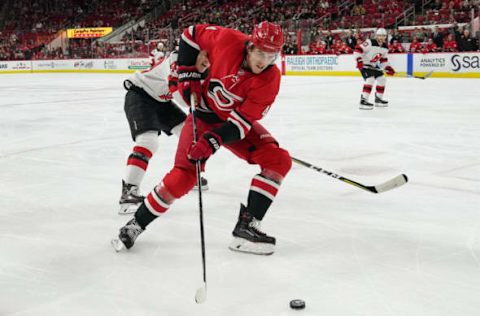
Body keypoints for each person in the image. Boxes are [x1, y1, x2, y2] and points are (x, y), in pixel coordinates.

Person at [112, 21, 291, 255]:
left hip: (230, 123)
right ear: (250, 46)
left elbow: (241, 124)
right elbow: (191, 34)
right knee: (184, 177)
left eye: (271, 55)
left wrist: (214, 140)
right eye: (260, 52)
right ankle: (136, 224)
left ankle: (246, 228)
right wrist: (187, 74)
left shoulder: (271, 79)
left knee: (278, 161)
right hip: (202, 117)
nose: (263, 61)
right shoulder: (228, 40)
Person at [118, 50, 207, 215]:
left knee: (191, 134)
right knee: (148, 141)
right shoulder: (177, 58)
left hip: (161, 100)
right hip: (140, 94)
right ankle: (129, 192)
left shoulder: (204, 66)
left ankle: (190, 175)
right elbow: (179, 96)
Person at [354, 28, 396, 110]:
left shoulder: (385, 47)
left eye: (383, 36)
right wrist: (359, 60)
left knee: (382, 79)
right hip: (364, 64)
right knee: (370, 79)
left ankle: (378, 99)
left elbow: (383, 60)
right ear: (376, 36)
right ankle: (363, 100)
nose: (381, 37)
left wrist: (388, 68)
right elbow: (358, 50)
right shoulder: (370, 42)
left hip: (373, 65)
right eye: (380, 35)